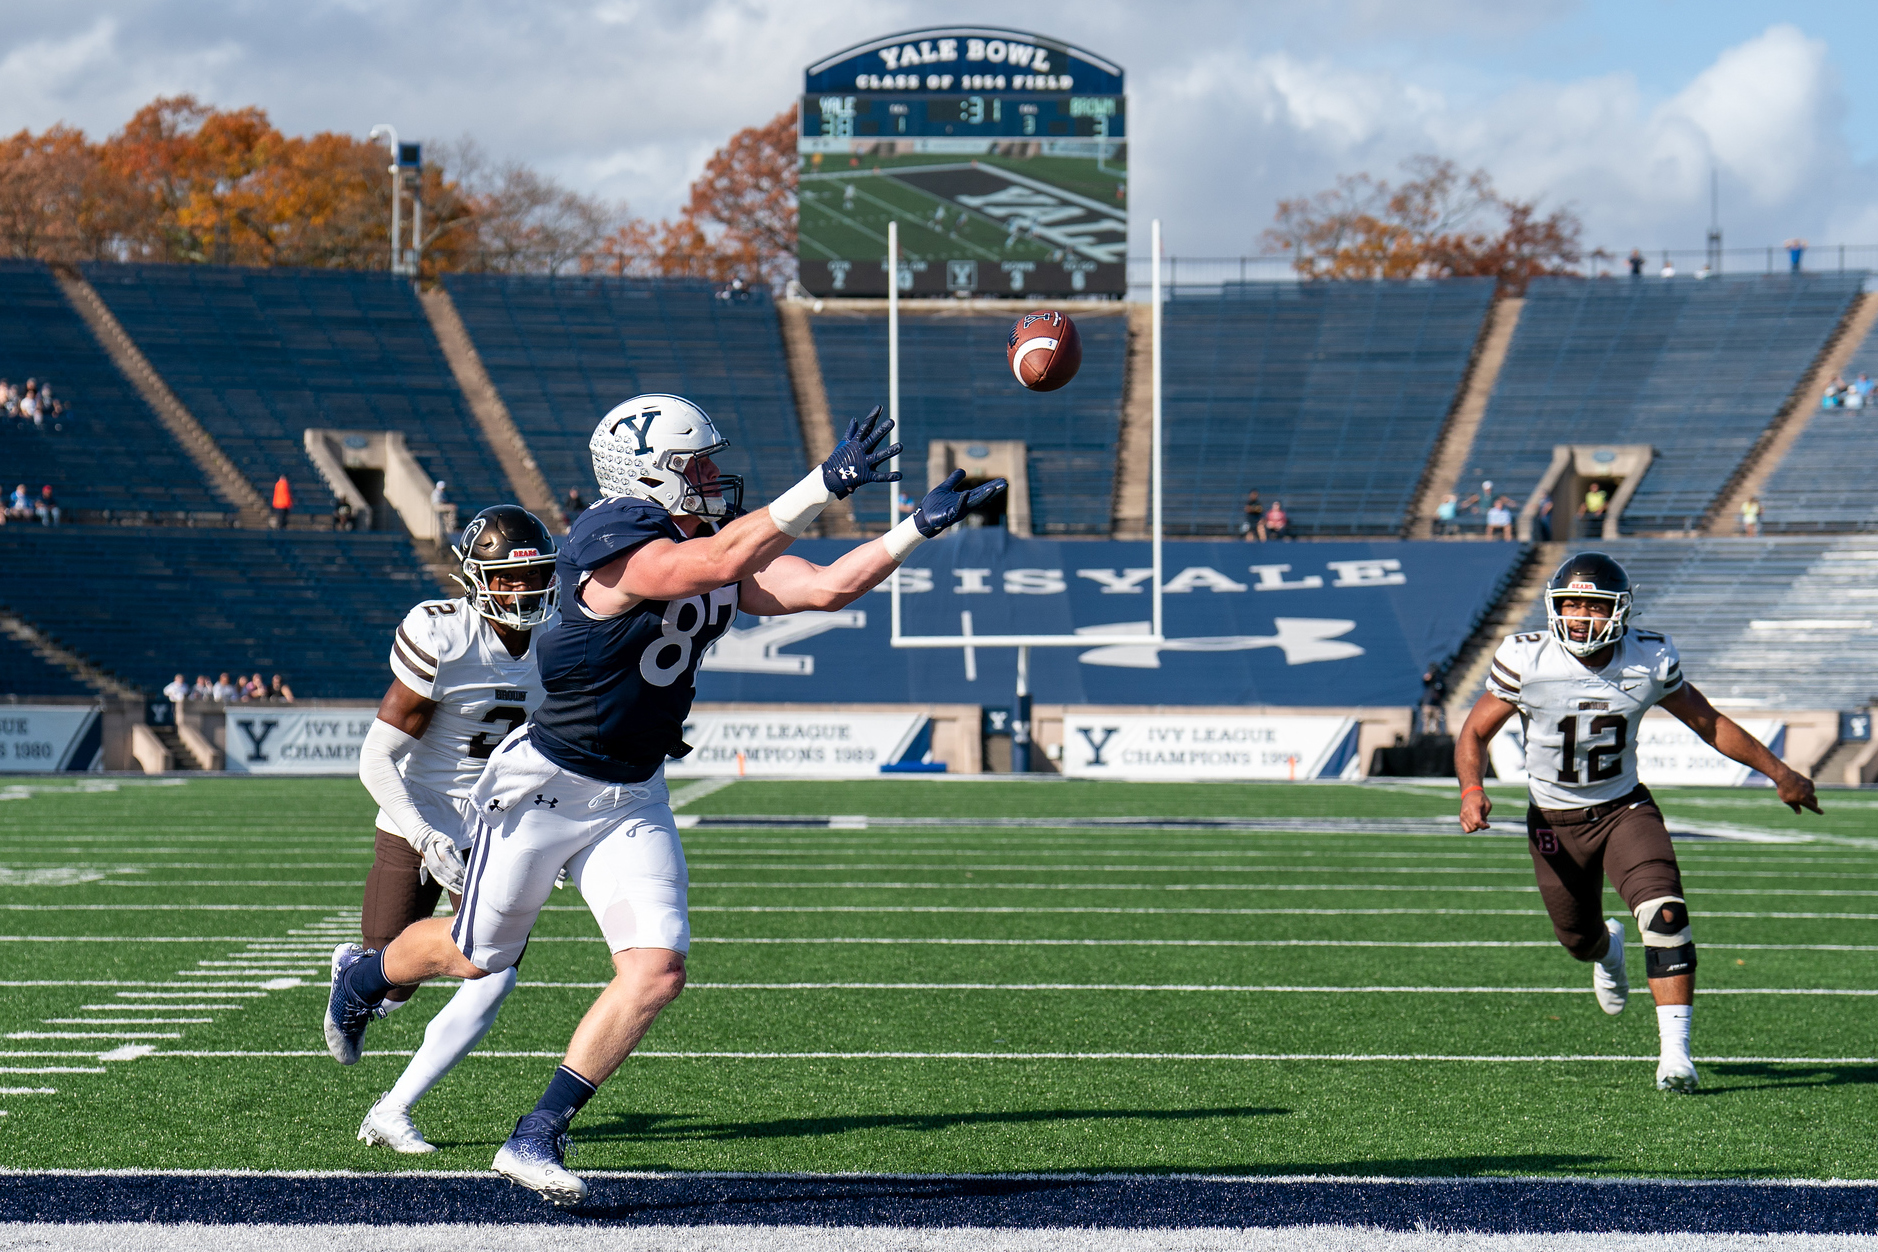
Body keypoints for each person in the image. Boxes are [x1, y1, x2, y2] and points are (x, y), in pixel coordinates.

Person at [323, 395, 1005, 1206]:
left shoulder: (712, 538)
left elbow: (822, 588)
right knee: (478, 956)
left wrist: (915, 530)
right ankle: (365, 978)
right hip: (545, 781)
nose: (714, 477)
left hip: (634, 788)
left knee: (657, 970)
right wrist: (823, 483)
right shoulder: (608, 539)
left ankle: (536, 1134)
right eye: (698, 465)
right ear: (646, 473)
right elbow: (704, 570)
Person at [1453, 552, 1820, 1093]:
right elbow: (1474, 733)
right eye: (1571, 603)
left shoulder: (1648, 657)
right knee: (1578, 939)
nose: (1581, 615)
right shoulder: (1527, 659)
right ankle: (1609, 949)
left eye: (1594, 604)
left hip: (1625, 808)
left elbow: (1708, 721)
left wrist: (1779, 772)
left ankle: (1676, 1055)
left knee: (1666, 913)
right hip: (1553, 819)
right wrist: (1472, 788)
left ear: (1619, 610)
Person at [342, 505, 559, 1154]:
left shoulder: (557, 642)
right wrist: (422, 834)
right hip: (420, 813)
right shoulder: (444, 635)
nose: (524, 590)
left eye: (535, 576)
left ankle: (395, 1108)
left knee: (494, 970)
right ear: (476, 579)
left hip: (493, 828)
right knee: (396, 982)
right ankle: (357, 974)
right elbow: (375, 758)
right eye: (508, 578)